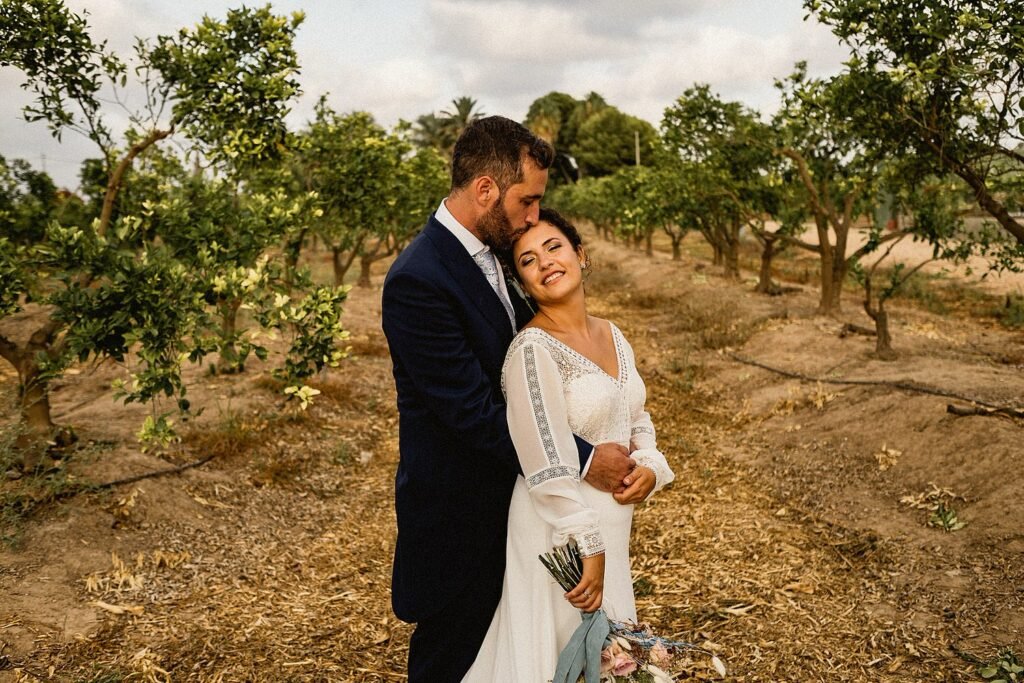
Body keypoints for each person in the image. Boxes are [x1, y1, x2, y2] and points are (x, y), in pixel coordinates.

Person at [381, 116, 636, 683]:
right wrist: (587, 457)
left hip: (529, 505)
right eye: (528, 201)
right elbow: (471, 411)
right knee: (454, 658)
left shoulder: (498, 251)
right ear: (486, 190)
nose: (532, 217)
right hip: (462, 514)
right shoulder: (418, 279)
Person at [463, 209, 675, 682]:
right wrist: (588, 544)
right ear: (522, 282)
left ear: (580, 254)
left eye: (554, 247)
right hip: (558, 528)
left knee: (607, 654)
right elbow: (542, 460)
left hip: (612, 524)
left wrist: (650, 464)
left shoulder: (613, 334)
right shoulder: (531, 350)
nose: (545, 263)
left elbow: (634, 414)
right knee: (558, 655)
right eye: (527, 261)